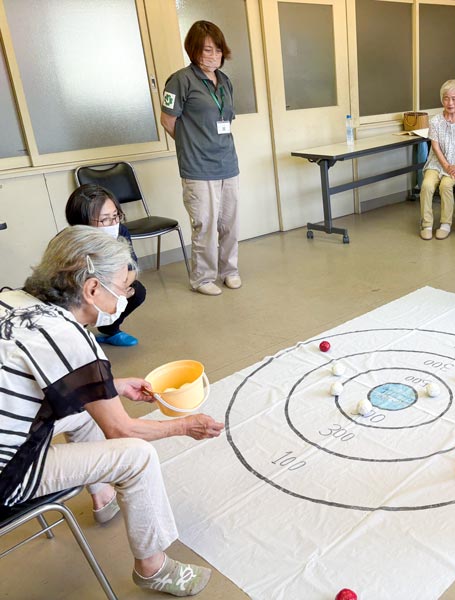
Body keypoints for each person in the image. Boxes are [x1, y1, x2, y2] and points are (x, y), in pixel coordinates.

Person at [0, 226, 224, 595]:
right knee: (137, 456)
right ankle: (153, 568)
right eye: (121, 287)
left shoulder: (13, 300)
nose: (124, 296)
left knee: (91, 410)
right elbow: (124, 432)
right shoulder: (70, 337)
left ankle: (102, 496)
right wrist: (185, 425)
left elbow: (43, 377)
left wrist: (111, 386)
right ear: (91, 288)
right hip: (8, 473)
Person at [160, 20, 241, 297]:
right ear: (193, 51)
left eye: (218, 50)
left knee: (229, 222)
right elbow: (168, 121)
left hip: (228, 163)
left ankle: (229, 270)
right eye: (207, 50)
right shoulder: (180, 81)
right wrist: (190, 146)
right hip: (198, 167)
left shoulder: (225, 81)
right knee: (205, 225)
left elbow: (226, 120)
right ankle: (203, 277)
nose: (214, 56)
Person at [65, 184, 145, 347]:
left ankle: (110, 329)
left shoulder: (120, 231)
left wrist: (120, 290)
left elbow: (132, 268)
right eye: (104, 219)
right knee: (77, 308)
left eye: (115, 216)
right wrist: (111, 293)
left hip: (109, 285)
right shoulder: (71, 242)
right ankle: (75, 338)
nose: (113, 223)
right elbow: (73, 286)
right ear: (83, 221)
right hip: (80, 292)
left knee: (137, 291)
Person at [418, 80, 455, 241]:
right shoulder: (435, 121)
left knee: (446, 185)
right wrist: (446, 166)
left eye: (454, 98)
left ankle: (445, 224)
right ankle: (427, 224)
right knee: (426, 185)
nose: (450, 102)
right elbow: (435, 148)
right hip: (436, 164)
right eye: (446, 98)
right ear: (442, 100)